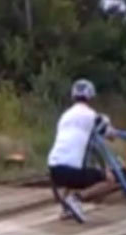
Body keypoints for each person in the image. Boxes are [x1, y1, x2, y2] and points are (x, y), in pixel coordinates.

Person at [47, 78, 116, 222]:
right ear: (90, 97)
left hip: (53, 169)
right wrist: (111, 129)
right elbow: (110, 135)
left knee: (71, 175)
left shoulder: (64, 116)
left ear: (73, 96)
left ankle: (66, 209)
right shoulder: (92, 116)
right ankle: (77, 198)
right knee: (110, 180)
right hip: (72, 171)